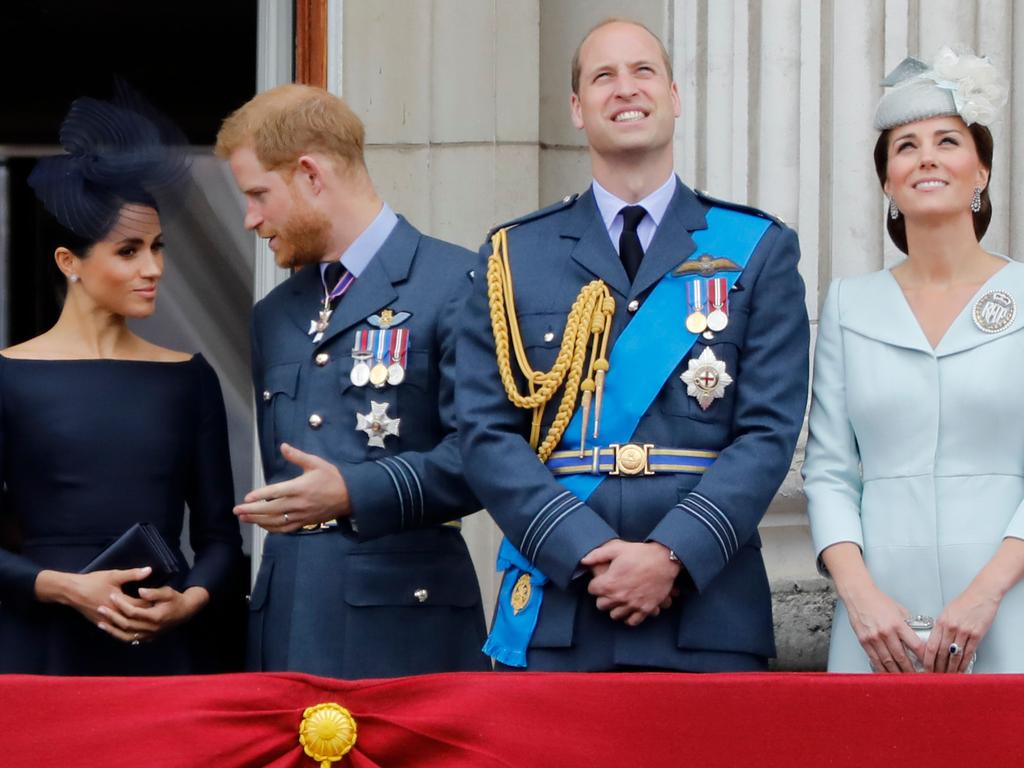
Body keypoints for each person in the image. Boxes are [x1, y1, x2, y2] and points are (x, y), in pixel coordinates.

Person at [457, 18, 808, 671]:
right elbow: (484, 433)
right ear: (577, 109)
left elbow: (768, 433)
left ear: (673, 94)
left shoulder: (757, 249)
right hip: (563, 605)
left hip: (709, 609)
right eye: (603, 76)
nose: (626, 89)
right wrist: (585, 551)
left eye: (643, 71)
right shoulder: (513, 255)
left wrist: (673, 553)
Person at [216, 84, 488, 678]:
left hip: (405, 624)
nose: (250, 218)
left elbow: (485, 457)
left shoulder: (457, 281)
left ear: (311, 175)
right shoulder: (275, 313)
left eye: (259, 194)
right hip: (286, 617)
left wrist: (354, 491)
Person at [0, 94, 242, 675]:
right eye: (129, 251)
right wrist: (61, 587)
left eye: (158, 247)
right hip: (42, 649)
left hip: (161, 649)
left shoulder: (189, 378)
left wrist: (190, 601)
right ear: (69, 261)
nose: (153, 268)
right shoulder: (8, 376)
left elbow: (220, 539)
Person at [803, 47, 1021, 673]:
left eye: (947, 140)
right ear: (888, 184)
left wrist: (986, 594)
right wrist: (860, 597)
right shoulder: (850, 304)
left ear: (981, 172)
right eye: (906, 146)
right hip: (879, 621)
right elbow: (829, 471)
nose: (926, 156)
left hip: (1009, 604)